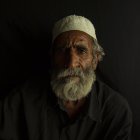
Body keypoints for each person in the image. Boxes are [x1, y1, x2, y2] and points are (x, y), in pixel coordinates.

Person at [0, 15, 133, 140]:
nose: (71, 63)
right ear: (52, 58)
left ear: (95, 60)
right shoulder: (20, 102)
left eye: (81, 50)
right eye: (62, 50)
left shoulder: (115, 110)